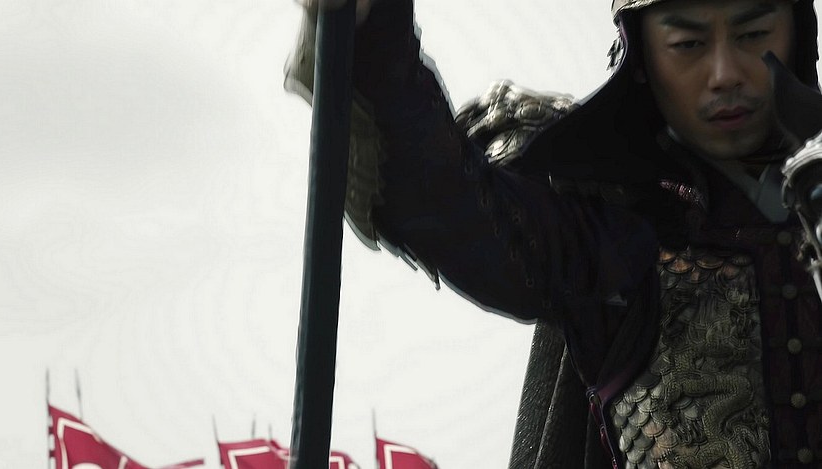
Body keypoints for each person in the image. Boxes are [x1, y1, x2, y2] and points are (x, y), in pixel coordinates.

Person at [285, 0, 822, 467]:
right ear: (643, 56)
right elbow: (448, 205)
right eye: (688, 43)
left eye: (754, 34)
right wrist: (371, 28)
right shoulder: (611, 222)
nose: (725, 74)